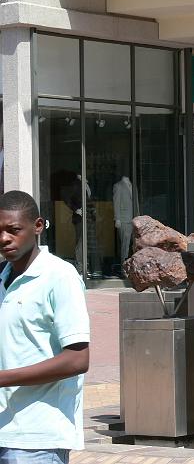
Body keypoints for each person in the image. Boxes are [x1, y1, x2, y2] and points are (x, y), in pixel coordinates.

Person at [0, 191, 90, 462]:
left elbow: (77, 359)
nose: (4, 238)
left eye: (13, 230)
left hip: (37, 439)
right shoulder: (2, 276)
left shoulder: (60, 277)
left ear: (37, 226)